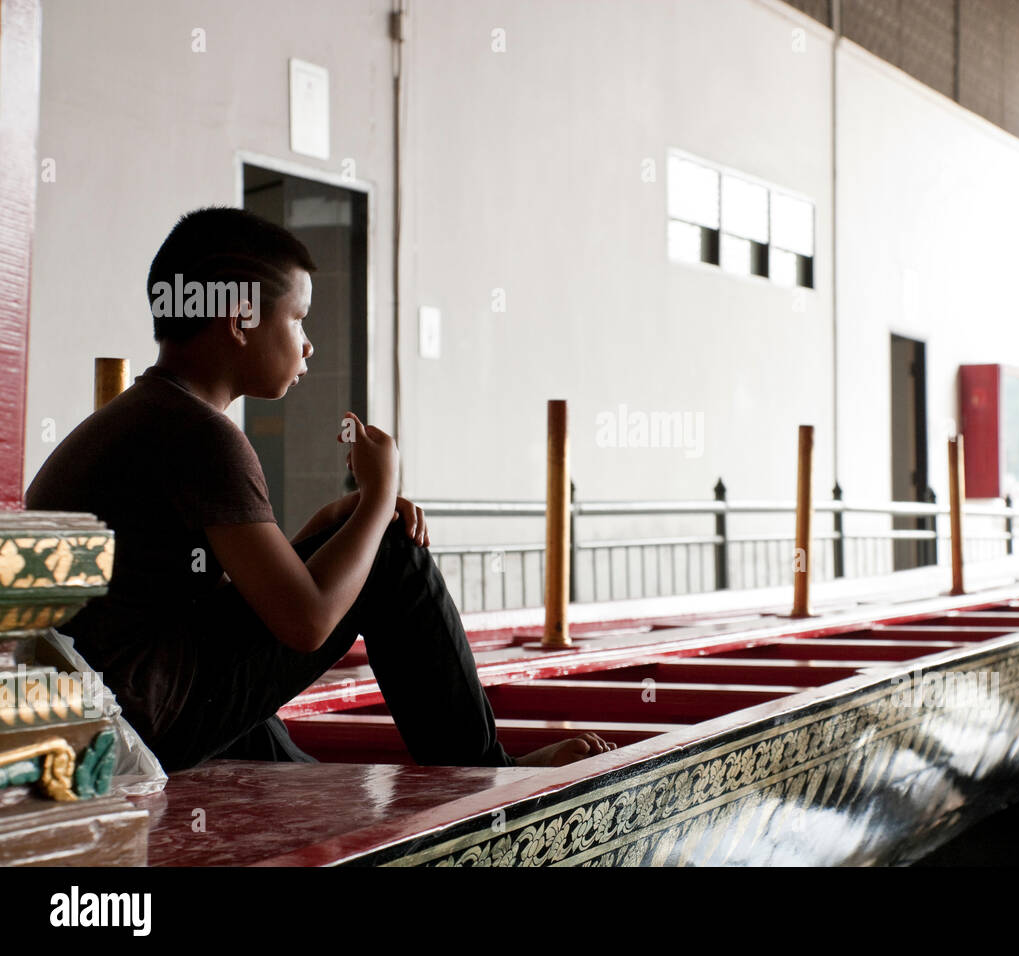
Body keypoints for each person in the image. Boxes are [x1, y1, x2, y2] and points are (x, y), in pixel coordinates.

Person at [25, 206, 613, 772]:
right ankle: (483, 772)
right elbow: (303, 623)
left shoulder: (148, 415)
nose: (308, 344)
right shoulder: (204, 437)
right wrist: (380, 495)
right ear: (240, 321)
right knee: (390, 556)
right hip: (148, 718)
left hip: (117, 707)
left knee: (351, 547)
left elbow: (245, 595)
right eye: (298, 318)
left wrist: (337, 521)